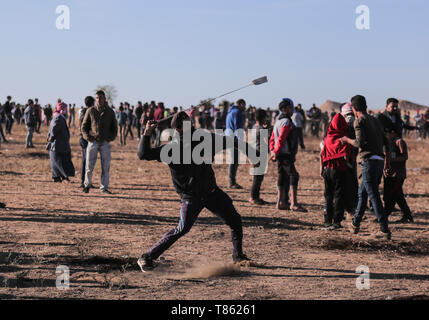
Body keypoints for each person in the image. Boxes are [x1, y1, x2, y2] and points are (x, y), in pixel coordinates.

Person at [136, 112, 255, 272]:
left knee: (235, 220)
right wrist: (146, 134)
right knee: (182, 229)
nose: (190, 126)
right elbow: (143, 154)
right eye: (185, 124)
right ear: (177, 129)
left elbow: (230, 141)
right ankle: (147, 257)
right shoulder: (172, 149)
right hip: (191, 198)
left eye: (190, 122)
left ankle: (238, 257)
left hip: (211, 193)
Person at [339, 95, 392, 240]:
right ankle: (355, 224)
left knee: (373, 196)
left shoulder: (359, 121)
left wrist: (346, 140)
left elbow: (359, 143)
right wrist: (387, 162)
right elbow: (387, 143)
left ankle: (384, 229)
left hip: (368, 161)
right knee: (362, 193)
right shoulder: (375, 120)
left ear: (355, 109)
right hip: (379, 161)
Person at [269, 98, 306, 212]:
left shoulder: (277, 122)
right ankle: (293, 203)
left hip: (279, 153)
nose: (292, 110)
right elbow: (281, 138)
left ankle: (280, 202)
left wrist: (273, 151)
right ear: (285, 109)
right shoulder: (286, 122)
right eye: (290, 107)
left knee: (282, 175)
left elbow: (272, 138)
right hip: (285, 153)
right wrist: (276, 151)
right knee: (293, 176)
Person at [81, 90, 118, 194]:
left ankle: (104, 188)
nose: (99, 100)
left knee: (106, 166)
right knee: (89, 166)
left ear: (104, 99)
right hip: (93, 142)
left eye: (101, 98)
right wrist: (87, 137)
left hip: (105, 142)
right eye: (97, 98)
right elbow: (83, 127)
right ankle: (87, 185)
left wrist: (112, 137)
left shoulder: (110, 112)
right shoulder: (90, 111)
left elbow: (114, 127)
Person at [320, 113, 351, 230]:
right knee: (338, 196)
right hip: (338, 169)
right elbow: (345, 157)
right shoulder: (343, 139)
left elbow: (322, 154)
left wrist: (321, 168)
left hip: (327, 169)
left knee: (328, 195)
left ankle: (327, 221)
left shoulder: (327, 138)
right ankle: (337, 221)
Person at [383, 125, 414, 223]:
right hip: (391, 174)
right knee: (397, 196)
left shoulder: (399, 142)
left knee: (393, 195)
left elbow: (405, 156)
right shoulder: (390, 143)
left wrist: (393, 160)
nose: (386, 135)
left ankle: (385, 216)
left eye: (388, 133)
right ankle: (407, 216)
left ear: (393, 133)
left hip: (398, 175)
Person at [47, 102, 75, 183]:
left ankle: (57, 177)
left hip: (59, 144)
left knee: (57, 161)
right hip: (58, 144)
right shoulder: (58, 117)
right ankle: (64, 178)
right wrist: (51, 137)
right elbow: (54, 129)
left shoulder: (58, 117)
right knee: (61, 162)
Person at [249, 109, 270, 205]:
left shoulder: (254, 127)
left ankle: (255, 196)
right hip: (259, 154)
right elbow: (267, 141)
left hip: (254, 153)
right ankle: (253, 197)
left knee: (256, 177)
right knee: (258, 177)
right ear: (263, 118)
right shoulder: (261, 129)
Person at [225, 99, 246, 189]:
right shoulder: (237, 112)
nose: (245, 107)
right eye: (244, 105)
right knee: (234, 161)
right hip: (234, 139)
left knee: (233, 160)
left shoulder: (230, 111)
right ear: (241, 104)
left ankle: (232, 181)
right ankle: (232, 182)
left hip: (229, 137)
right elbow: (238, 128)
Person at [79, 97, 93, 188]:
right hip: (86, 139)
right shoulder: (89, 113)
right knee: (87, 160)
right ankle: (85, 182)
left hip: (83, 138)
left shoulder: (82, 112)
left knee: (86, 160)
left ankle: (85, 181)